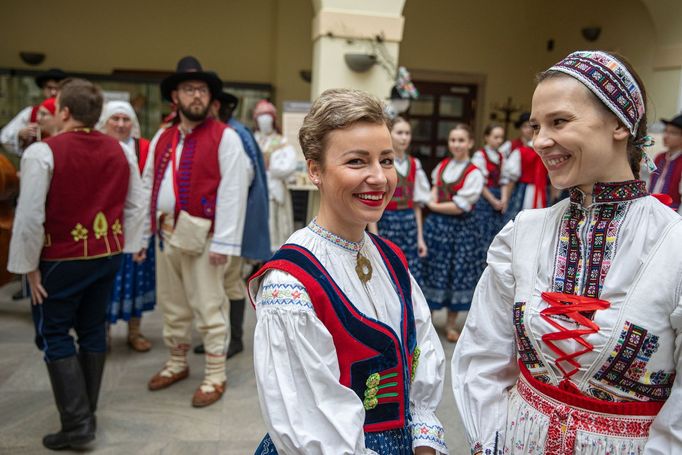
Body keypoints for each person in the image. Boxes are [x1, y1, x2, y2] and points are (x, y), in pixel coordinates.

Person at [452, 50, 682, 454]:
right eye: (536, 126)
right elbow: (483, 355)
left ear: (618, 124)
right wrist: (492, 442)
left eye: (559, 122)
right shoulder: (522, 234)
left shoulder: (673, 245)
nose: (540, 141)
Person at [249, 88, 447, 455]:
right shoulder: (290, 283)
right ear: (314, 170)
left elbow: (422, 352)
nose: (379, 177)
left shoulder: (390, 257)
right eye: (357, 162)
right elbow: (311, 425)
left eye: (386, 161)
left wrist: (423, 441)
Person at [7, 78, 146, 450]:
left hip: (60, 258)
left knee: (53, 333)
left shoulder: (43, 152)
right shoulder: (122, 151)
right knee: (91, 330)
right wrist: (129, 244)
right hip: (106, 255)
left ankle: (78, 425)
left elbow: (31, 215)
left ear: (64, 112)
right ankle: (87, 413)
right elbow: (136, 203)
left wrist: (27, 266)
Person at [142, 56, 250, 408]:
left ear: (210, 97)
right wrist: (143, 231)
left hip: (204, 236)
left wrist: (225, 243)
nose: (196, 96)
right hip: (167, 233)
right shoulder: (163, 135)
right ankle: (177, 362)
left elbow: (234, 192)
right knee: (172, 305)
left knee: (208, 304)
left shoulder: (226, 137)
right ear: (176, 96)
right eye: (189, 90)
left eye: (202, 90)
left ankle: (215, 375)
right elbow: (148, 183)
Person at [192, 90, 271, 358]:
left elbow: (241, 183)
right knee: (222, 284)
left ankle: (232, 339)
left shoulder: (233, 134)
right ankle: (222, 337)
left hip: (235, 226)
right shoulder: (232, 131)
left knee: (229, 282)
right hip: (231, 224)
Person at [96, 101, 156, 352]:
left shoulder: (143, 148)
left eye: (126, 119)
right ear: (105, 122)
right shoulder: (97, 147)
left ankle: (134, 331)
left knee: (137, 279)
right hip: (106, 226)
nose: (121, 124)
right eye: (115, 119)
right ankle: (103, 333)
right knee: (104, 283)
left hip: (138, 224)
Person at [421, 124, 484, 342]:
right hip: (437, 228)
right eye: (453, 140)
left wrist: (434, 206)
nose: (456, 144)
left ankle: (450, 325)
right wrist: (433, 200)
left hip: (461, 230)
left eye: (461, 140)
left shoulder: (474, 173)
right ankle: (427, 320)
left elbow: (460, 206)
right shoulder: (442, 166)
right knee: (433, 271)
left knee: (456, 274)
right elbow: (435, 190)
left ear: (470, 143)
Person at [368, 116, 430, 285]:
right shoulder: (381, 164)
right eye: (400, 132)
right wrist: (374, 235)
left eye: (407, 133)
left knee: (409, 275)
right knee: (386, 273)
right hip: (386, 221)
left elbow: (416, 205)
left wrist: (420, 238)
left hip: (409, 223)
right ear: (390, 134)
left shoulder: (414, 164)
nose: (404, 137)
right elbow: (374, 200)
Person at [253, 99, 298, 252]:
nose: (264, 123)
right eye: (261, 119)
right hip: (255, 192)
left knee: (276, 226)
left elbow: (289, 165)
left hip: (274, 192)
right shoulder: (252, 139)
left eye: (267, 119)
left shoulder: (281, 141)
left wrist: (270, 166)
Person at [471, 124, 511, 270]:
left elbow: (504, 180)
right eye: (496, 137)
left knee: (496, 234)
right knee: (482, 234)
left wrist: (504, 200)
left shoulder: (502, 156)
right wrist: (493, 201)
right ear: (486, 137)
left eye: (501, 137)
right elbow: (480, 182)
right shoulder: (480, 155)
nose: (499, 140)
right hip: (485, 199)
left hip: (498, 198)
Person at [1, 68, 67, 155]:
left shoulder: (72, 115)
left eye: (58, 88)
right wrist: (20, 134)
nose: (53, 92)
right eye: (49, 88)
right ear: (43, 89)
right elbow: (4, 137)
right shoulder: (29, 112)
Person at [504, 112, 550, 221]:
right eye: (525, 126)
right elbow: (511, 177)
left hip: (540, 188)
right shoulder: (514, 147)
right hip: (524, 189)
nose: (528, 130)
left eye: (531, 127)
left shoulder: (541, 149)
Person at [648, 113, 682, 214]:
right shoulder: (659, 157)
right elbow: (650, 183)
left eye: (673, 133)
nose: (666, 136)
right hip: (651, 210)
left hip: (671, 215)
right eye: (665, 131)